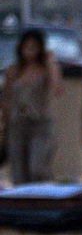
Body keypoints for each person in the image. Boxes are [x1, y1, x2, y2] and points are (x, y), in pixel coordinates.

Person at [1, 29, 61, 185]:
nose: (29, 52)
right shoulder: (13, 70)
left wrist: (51, 63)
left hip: (39, 123)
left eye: (33, 48)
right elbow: (6, 97)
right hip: (17, 124)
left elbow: (57, 90)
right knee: (18, 172)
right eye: (26, 47)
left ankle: (45, 198)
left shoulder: (46, 70)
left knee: (37, 167)